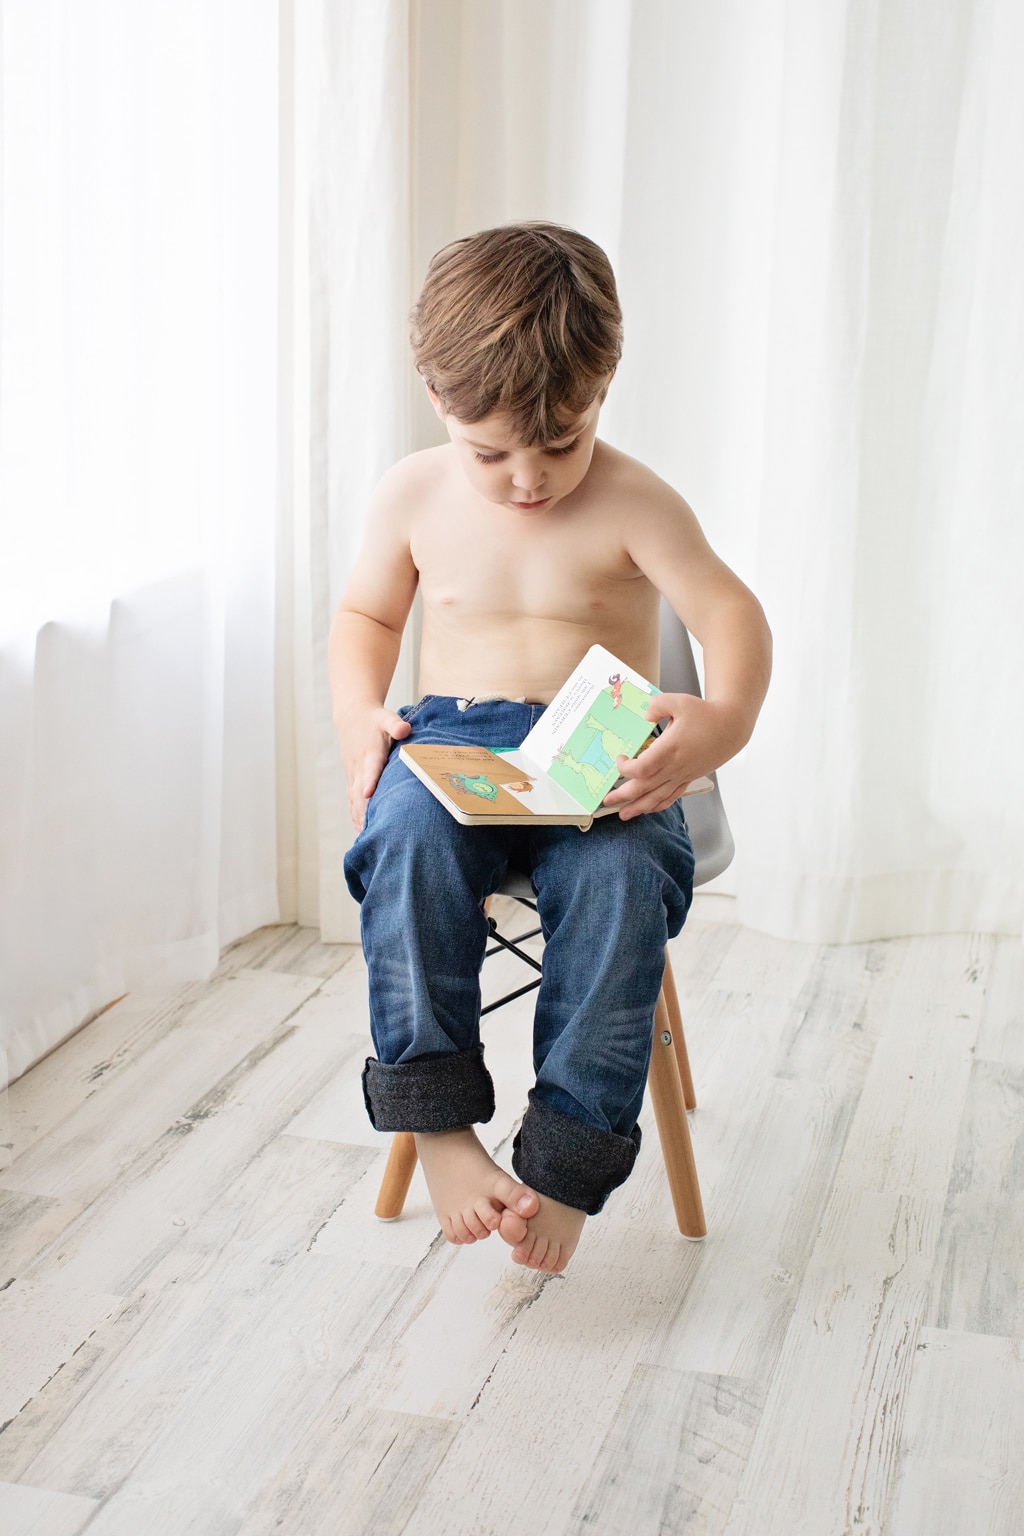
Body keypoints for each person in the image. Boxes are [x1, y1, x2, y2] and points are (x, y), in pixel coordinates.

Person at [330, 222, 771, 1275]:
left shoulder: (633, 499)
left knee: (621, 886)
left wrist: (721, 721)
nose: (527, 481)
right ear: (438, 398)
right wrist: (361, 713)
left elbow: (730, 612)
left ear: (603, 387)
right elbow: (365, 618)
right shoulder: (413, 493)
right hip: (456, 743)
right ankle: (437, 1125)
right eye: (492, 454)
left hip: (600, 756)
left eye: (559, 443)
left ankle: (566, 1167)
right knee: (404, 850)